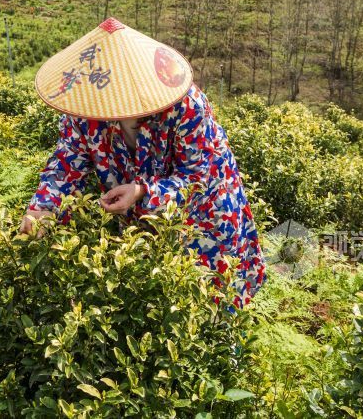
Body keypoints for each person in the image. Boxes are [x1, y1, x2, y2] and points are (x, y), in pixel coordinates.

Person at [20, 18, 265, 307]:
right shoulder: (84, 107)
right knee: (155, 304)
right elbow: (66, 161)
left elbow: (199, 178)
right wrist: (44, 207)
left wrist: (142, 193)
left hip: (205, 216)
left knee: (209, 305)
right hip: (141, 223)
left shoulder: (186, 106)